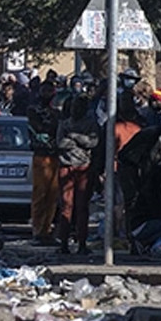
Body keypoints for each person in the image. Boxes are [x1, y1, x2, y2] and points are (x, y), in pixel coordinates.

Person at [55, 94, 99, 254]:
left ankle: (82, 243)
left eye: (79, 107)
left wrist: (74, 137)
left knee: (82, 207)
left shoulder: (91, 124)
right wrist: (81, 142)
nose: (75, 110)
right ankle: (64, 243)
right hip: (66, 166)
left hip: (84, 167)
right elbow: (60, 143)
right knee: (66, 206)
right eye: (73, 106)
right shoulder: (64, 124)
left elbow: (92, 142)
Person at [27, 81, 61, 245]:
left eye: (50, 91)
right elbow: (38, 128)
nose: (48, 94)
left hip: (55, 155)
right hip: (41, 155)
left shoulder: (56, 112)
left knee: (52, 195)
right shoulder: (34, 110)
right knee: (40, 194)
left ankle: (46, 229)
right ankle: (38, 230)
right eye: (45, 90)